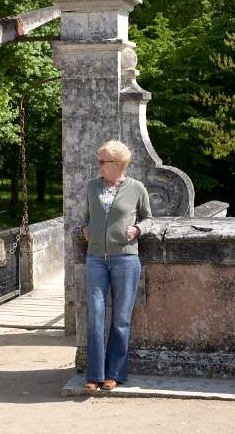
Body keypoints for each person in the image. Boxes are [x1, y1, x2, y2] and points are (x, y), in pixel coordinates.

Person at [81, 140, 153, 391]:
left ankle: (115, 373)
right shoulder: (92, 187)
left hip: (126, 258)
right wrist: (84, 228)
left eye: (102, 161)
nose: (98, 165)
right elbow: (86, 216)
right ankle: (94, 374)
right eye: (98, 160)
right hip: (95, 259)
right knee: (96, 316)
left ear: (118, 164)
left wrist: (138, 229)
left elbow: (148, 218)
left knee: (121, 318)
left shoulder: (136, 188)